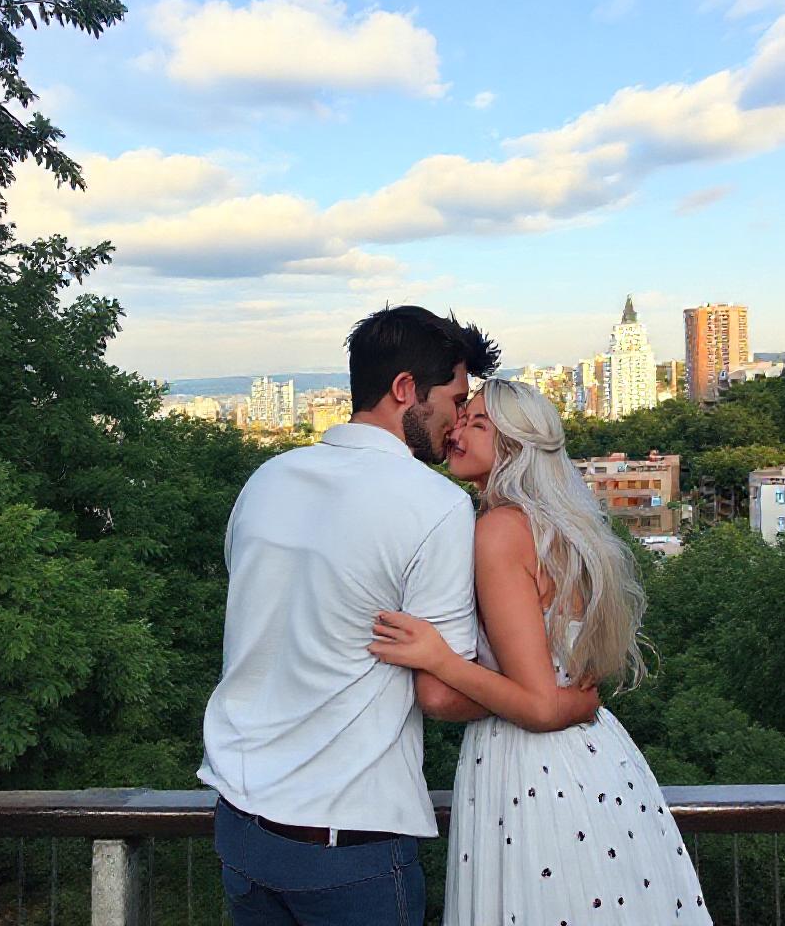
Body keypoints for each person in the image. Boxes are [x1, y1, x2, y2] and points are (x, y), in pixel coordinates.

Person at [198, 307, 598, 926]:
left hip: (240, 827)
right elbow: (438, 694)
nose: (455, 423)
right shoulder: (434, 505)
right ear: (406, 389)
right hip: (345, 841)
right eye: (455, 401)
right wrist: (548, 696)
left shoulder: (267, 480)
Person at [370, 379, 713, 924]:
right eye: (463, 417)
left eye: (478, 424)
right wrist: (577, 701)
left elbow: (538, 704)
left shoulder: (500, 531)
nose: (456, 432)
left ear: (515, 446)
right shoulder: (556, 529)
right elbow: (566, 690)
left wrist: (439, 660)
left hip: (532, 775)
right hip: (599, 767)